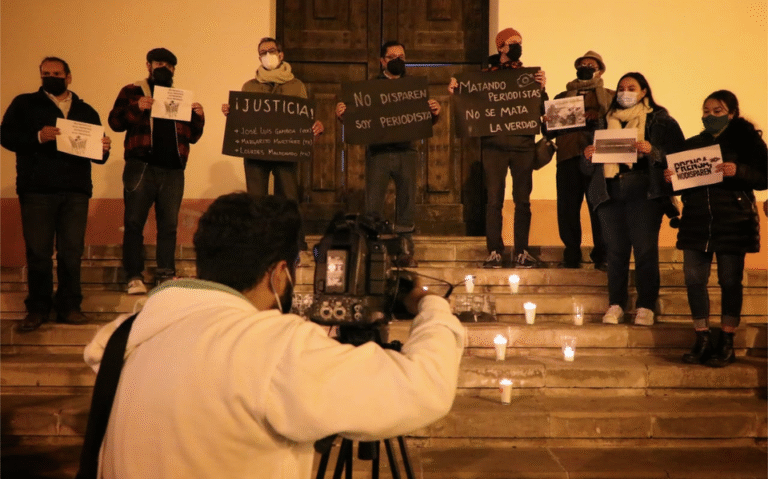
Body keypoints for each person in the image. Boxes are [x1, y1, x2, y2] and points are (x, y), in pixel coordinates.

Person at [83, 192, 465, 478]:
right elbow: (424, 385)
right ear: (278, 273)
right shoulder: (272, 345)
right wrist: (431, 306)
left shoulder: (128, 334)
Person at [0, 57, 111, 332]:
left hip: (76, 191)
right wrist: (38, 136)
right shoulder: (24, 104)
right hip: (37, 190)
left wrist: (104, 148)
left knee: (71, 252)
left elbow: (98, 157)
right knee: (38, 252)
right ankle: (38, 308)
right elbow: (6, 137)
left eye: (57, 73)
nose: (51, 77)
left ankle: (70, 307)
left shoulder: (85, 111)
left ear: (69, 77)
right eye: (46, 73)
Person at [665, 90, 767, 367]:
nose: (710, 116)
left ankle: (727, 341)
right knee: (694, 280)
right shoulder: (693, 144)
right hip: (696, 221)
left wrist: (740, 171)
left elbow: (764, 177)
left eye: (717, 111)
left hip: (733, 221)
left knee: (730, 281)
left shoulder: (748, 142)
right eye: (706, 111)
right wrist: (671, 178)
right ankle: (702, 338)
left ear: (732, 113)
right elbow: (678, 183)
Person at [583, 72, 684, 326]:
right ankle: (616, 304)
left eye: (631, 88)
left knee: (644, 250)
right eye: (620, 88)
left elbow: (679, 156)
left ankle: (646, 305)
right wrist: (588, 155)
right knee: (615, 252)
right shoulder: (603, 122)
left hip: (644, 190)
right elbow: (585, 170)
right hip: (610, 190)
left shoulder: (661, 120)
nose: (624, 92)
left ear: (643, 92)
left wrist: (654, 151)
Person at [335, 41, 442, 267]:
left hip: (406, 152)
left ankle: (404, 250)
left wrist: (434, 113)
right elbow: (357, 119)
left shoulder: (414, 88)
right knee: (373, 202)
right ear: (382, 60)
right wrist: (344, 117)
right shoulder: (370, 88)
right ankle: (371, 249)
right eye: (392, 56)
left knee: (407, 201)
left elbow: (425, 120)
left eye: (401, 56)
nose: (397, 60)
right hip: (379, 153)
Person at [449, 27, 548, 269]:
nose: (517, 46)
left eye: (520, 42)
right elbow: (469, 105)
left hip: (523, 146)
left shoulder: (529, 77)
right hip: (493, 147)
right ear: (500, 46)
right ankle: (494, 250)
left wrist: (542, 89)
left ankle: (522, 250)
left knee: (522, 200)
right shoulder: (484, 77)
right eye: (512, 42)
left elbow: (543, 111)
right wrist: (456, 89)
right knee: (493, 199)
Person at [108, 48, 205, 295]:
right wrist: (137, 107)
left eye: (170, 66)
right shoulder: (132, 91)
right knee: (133, 222)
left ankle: (165, 275)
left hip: (173, 169)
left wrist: (199, 118)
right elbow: (115, 123)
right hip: (141, 165)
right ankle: (133, 276)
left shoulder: (178, 96)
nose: (164, 68)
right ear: (149, 65)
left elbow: (192, 137)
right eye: (159, 63)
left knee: (169, 225)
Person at [221, 37, 324, 248]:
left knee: (288, 197)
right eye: (263, 52)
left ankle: (294, 240)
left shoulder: (297, 86)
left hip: (285, 150)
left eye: (272, 50)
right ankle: (257, 243)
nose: (268, 55)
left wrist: (316, 126)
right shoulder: (249, 86)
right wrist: (232, 114)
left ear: (281, 54)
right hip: (255, 152)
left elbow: (306, 118)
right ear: (259, 57)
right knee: (256, 200)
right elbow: (243, 119)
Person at [546, 51, 611, 270]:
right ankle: (572, 254)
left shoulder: (610, 96)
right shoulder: (562, 97)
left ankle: (602, 254)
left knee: (599, 207)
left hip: (597, 159)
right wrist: (547, 121)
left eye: (591, 65)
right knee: (567, 209)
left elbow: (616, 123)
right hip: (567, 157)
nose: (586, 67)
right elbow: (549, 131)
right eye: (582, 64)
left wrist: (597, 116)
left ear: (600, 70)